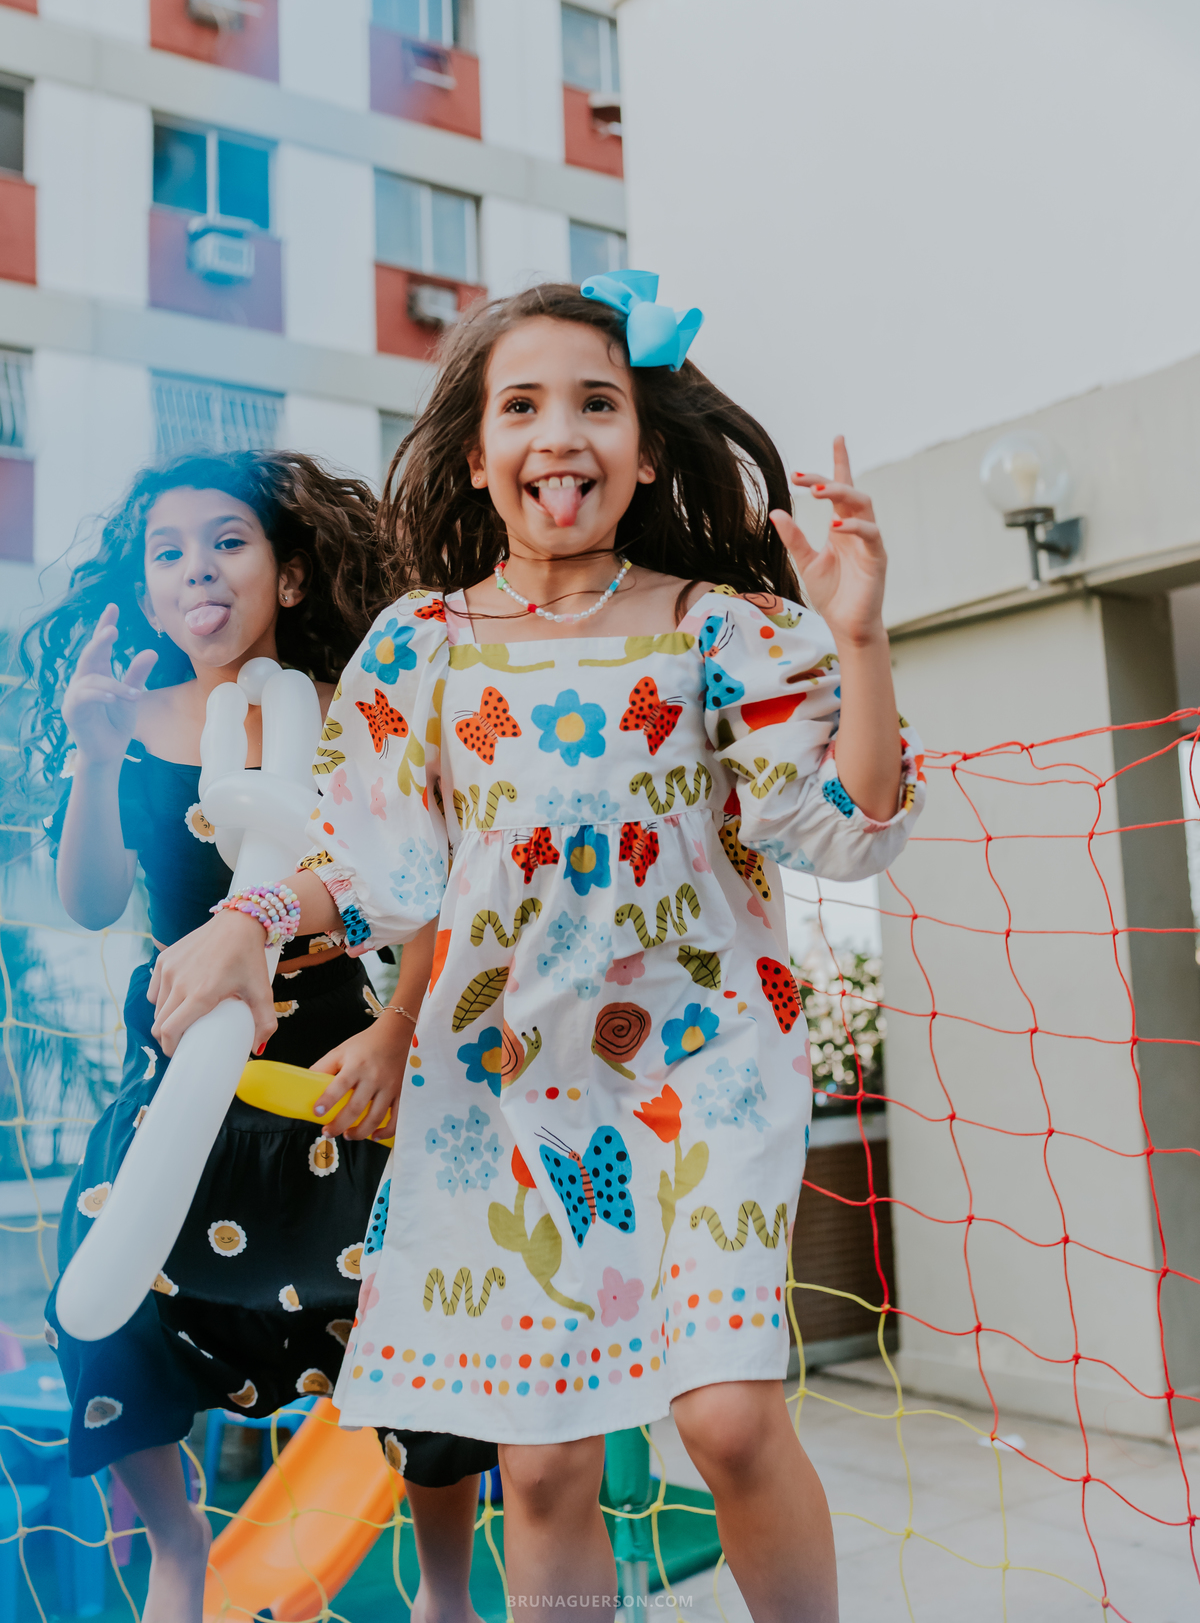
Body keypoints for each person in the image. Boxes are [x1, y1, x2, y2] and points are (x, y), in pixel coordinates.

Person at [149, 278, 926, 1622]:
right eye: (524, 404)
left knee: (730, 1418)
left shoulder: (719, 628)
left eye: (597, 403)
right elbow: (380, 868)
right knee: (548, 1463)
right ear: (476, 452)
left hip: (704, 1072)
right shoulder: (422, 648)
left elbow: (846, 834)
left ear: (644, 446)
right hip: (498, 1091)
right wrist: (247, 919)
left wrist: (857, 640)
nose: (560, 432)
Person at [19, 451, 495, 1623]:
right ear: (147, 589)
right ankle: (180, 1548)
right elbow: (91, 901)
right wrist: (92, 755)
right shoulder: (133, 724)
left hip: (344, 1057)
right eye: (168, 549)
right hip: (181, 1065)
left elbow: (428, 884)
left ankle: (445, 1589)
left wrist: (393, 1031)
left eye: (227, 539)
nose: (198, 566)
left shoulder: (352, 715)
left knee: (416, 1313)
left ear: (287, 576)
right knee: (106, 1297)